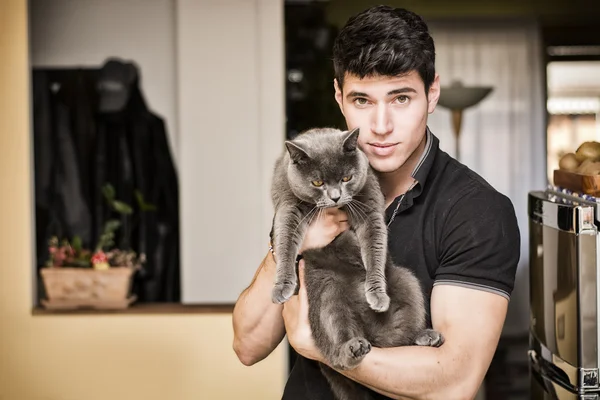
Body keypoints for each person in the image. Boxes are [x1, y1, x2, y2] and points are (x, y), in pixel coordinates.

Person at [232, 5, 520, 400]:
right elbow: (248, 346)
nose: (381, 127)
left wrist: (321, 347)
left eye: (400, 99)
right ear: (339, 97)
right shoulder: (318, 183)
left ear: (431, 93)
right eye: (362, 101)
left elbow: (453, 384)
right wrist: (296, 243)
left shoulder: (478, 212)